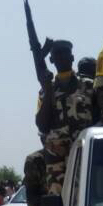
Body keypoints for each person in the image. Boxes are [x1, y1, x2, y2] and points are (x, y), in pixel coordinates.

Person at [36, 40, 93, 193]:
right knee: (57, 198)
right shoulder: (45, 91)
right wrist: (48, 89)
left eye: (65, 53)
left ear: (72, 57)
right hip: (56, 155)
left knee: (84, 193)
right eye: (57, 54)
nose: (62, 57)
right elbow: (41, 124)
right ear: (51, 60)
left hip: (83, 148)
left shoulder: (88, 85)